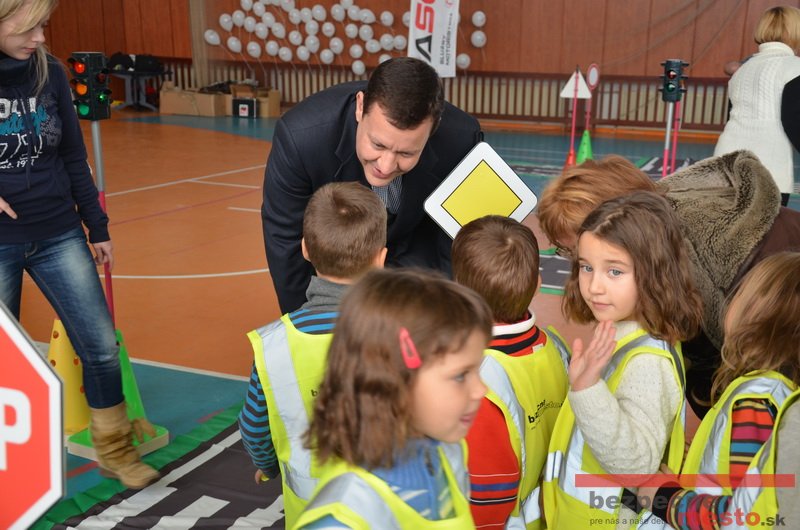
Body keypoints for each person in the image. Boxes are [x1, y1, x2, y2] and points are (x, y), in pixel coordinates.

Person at [0, 0, 158, 488]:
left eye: (44, 26)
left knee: (101, 347)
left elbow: (72, 153)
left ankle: (115, 450)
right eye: (29, 28)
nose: (41, 39)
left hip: (58, 231)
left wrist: (97, 226)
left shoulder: (48, 73)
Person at [536, 152, 800, 417]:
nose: (583, 271)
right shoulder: (659, 225)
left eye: (575, 251)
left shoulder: (696, 266)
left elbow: (750, 391)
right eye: (573, 255)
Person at [262, 57, 482, 314]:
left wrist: (439, 312)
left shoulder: (462, 140)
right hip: (338, 269)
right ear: (360, 107)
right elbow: (285, 239)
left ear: (434, 129)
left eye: (407, 153)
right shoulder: (301, 138)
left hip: (415, 254)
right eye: (377, 145)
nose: (386, 167)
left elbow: (456, 237)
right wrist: (308, 322)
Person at [541, 192, 703, 529]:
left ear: (653, 274)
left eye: (614, 272)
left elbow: (637, 465)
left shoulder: (648, 364)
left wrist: (586, 389)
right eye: (586, 267)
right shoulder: (624, 331)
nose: (594, 287)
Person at [237, 182, 387, 528]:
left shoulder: (272, 345)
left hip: (309, 513)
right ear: (380, 259)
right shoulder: (404, 334)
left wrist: (267, 465)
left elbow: (255, 427)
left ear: (304, 248)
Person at [294, 268, 492, 529]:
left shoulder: (448, 451)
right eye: (460, 375)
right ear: (394, 379)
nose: (481, 390)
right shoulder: (342, 520)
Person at [636, 252, 800, 529]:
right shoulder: (770, 392)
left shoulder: (757, 400)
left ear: (758, 314)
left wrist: (665, 498)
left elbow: (739, 513)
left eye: (741, 293)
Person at [450, 215, 569, 529]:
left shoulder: (476, 382)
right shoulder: (556, 347)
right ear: (538, 284)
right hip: (546, 511)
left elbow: (488, 494)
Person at [714, 5, 800, 206]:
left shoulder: (743, 70)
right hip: (767, 165)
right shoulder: (795, 67)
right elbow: (793, 118)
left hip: (725, 161)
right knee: (767, 226)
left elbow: (731, 116)